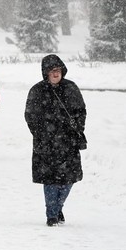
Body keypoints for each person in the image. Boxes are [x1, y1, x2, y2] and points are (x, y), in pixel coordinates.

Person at [24, 54, 87, 227]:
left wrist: (77, 128)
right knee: (50, 180)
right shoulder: (37, 90)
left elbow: (81, 111)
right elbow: (30, 115)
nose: (55, 74)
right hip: (47, 144)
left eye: (58, 70)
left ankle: (58, 206)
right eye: (52, 71)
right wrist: (41, 134)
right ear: (46, 73)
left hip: (69, 142)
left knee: (68, 180)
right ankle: (51, 214)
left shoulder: (71, 88)